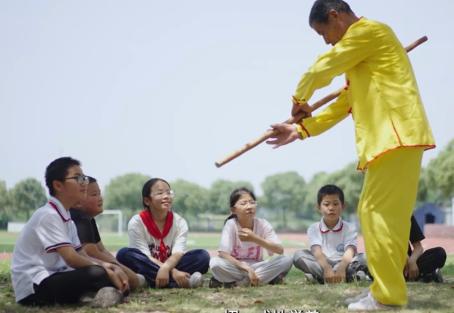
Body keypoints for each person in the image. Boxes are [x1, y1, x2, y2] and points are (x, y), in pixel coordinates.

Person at [265, 0, 435, 310]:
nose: (326, 40)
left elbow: (325, 65)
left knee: (376, 215)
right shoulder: (363, 57)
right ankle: (386, 290)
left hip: (396, 137)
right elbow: (345, 104)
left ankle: (387, 296)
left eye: (323, 32)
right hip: (392, 142)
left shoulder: (370, 31)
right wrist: (301, 130)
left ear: (335, 16)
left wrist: (300, 97)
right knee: (386, 221)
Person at [11, 157, 127, 307]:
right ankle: (93, 296)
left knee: (103, 272)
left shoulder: (67, 218)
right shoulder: (48, 215)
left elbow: (81, 254)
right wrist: (105, 269)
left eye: (84, 178)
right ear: (58, 185)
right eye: (78, 178)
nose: (84, 183)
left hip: (55, 277)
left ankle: (91, 295)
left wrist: (109, 266)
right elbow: (72, 258)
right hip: (34, 287)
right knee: (98, 274)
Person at [116, 178, 210, 288]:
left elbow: (177, 253)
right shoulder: (137, 222)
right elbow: (145, 256)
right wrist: (173, 272)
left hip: (167, 266)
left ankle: (147, 281)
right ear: (147, 201)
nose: (166, 196)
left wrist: (166, 268)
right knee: (124, 254)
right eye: (160, 193)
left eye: (168, 192)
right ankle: (181, 282)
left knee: (202, 256)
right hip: (148, 264)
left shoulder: (179, 222)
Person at [70, 176, 146, 291]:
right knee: (134, 278)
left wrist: (118, 265)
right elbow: (92, 253)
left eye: (99, 194)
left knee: (134, 277)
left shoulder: (89, 219)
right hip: (77, 270)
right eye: (94, 195)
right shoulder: (80, 218)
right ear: (78, 199)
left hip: (90, 266)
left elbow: (102, 249)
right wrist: (119, 269)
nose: (100, 198)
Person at [209, 187, 293, 287]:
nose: (249, 206)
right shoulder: (231, 224)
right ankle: (265, 279)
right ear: (233, 210)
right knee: (215, 263)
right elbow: (223, 253)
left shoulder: (263, 224)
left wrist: (254, 238)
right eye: (243, 203)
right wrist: (247, 268)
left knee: (287, 259)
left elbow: (280, 250)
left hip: (258, 266)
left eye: (252, 202)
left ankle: (238, 283)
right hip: (237, 267)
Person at [293, 185, 367, 284]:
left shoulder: (350, 227)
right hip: (322, 263)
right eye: (326, 204)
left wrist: (341, 267)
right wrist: (327, 268)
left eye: (336, 204)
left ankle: (319, 277)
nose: (331, 208)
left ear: (343, 206)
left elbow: (350, 250)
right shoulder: (313, 228)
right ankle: (350, 276)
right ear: (318, 207)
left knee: (365, 257)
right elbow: (316, 251)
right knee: (298, 255)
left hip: (345, 262)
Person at [405, 215, 446, 283]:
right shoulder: (381, 215)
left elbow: (418, 247)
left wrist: (412, 261)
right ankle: (426, 275)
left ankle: (418, 275)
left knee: (439, 253)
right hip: (391, 262)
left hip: (408, 266)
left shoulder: (407, 214)